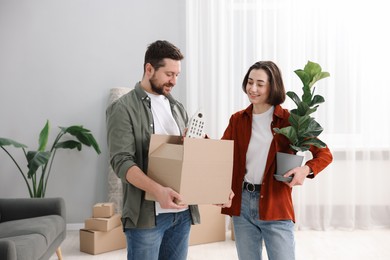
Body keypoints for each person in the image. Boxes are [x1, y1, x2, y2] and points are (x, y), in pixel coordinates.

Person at [221, 61, 333, 260]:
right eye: (250, 82)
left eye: (260, 84)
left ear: (273, 87)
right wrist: (198, 141)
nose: (252, 89)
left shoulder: (292, 121)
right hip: (243, 205)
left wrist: (306, 169)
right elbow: (219, 154)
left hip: (276, 204)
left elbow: (324, 154)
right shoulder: (237, 120)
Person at [106, 40, 200, 260]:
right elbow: (122, 162)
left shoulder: (177, 108)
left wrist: (196, 144)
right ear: (149, 69)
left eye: (177, 75)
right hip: (147, 217)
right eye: (169, 74)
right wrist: (158, 191)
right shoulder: (122, 109)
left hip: (181, 213)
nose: (174, 81)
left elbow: (183, 157)